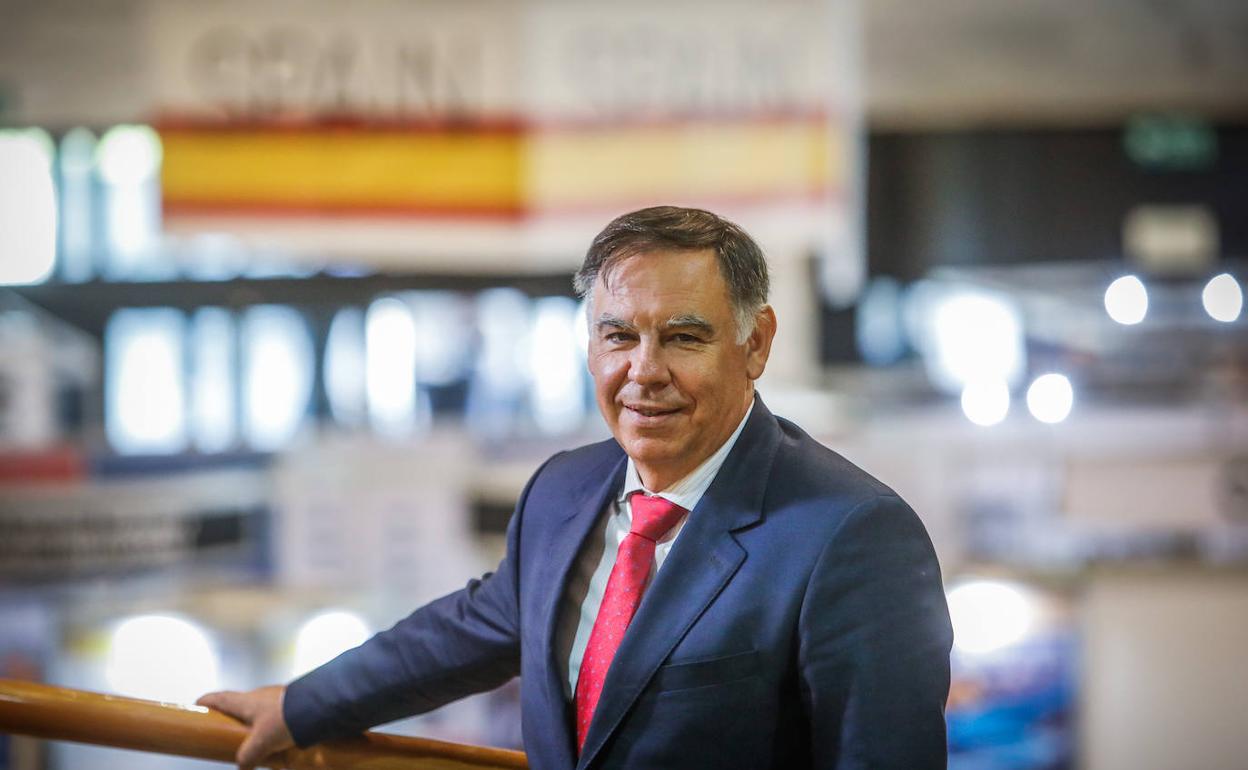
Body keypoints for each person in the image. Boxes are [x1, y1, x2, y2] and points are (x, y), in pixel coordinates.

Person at [199, 206, 953, 769]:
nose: (644, 371)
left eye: (683, 337)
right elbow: (468, 632)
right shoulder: (564, 491)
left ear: (754, 344)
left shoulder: (852, 534)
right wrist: (299, 706)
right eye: (619, 335)